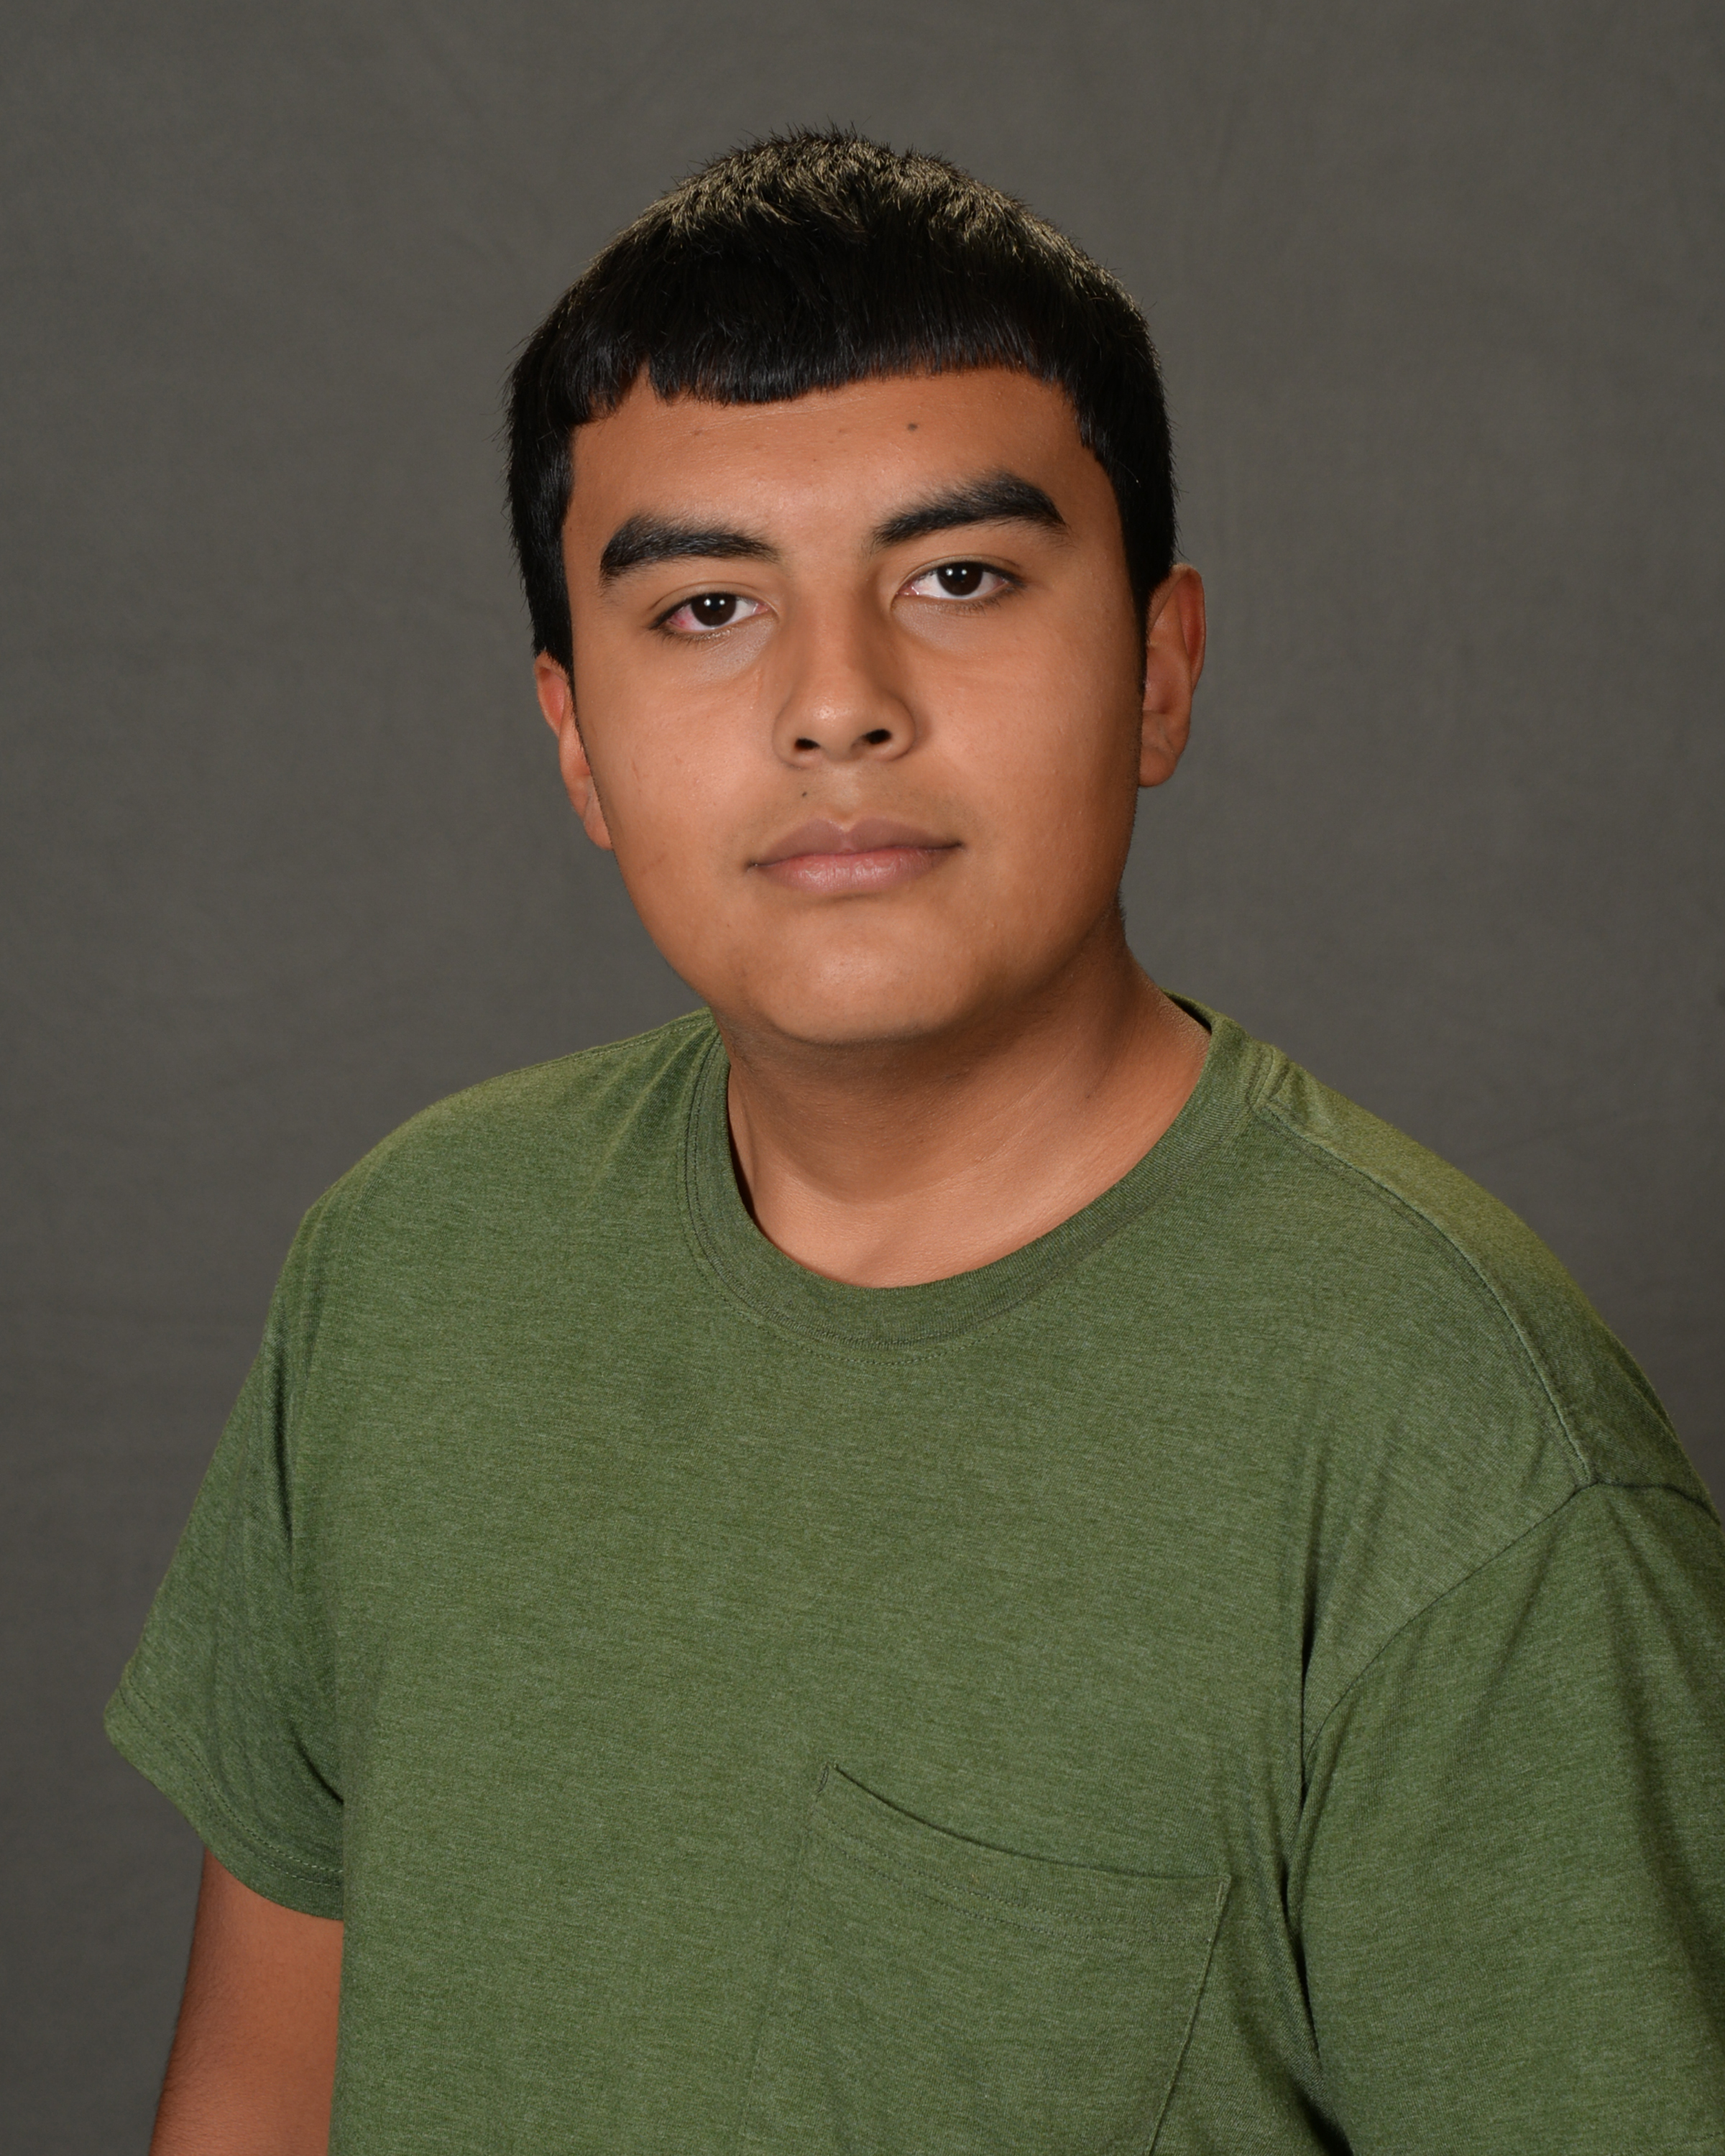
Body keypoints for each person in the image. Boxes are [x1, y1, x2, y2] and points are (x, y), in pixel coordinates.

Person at [109, 130, 1725, 2155]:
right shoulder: (410, 1267)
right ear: (574, 738)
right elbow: (260, 2096)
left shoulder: (1463, 1456)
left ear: (1159, 669)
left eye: (958, 579)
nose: (837, 705)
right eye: (707, 607)